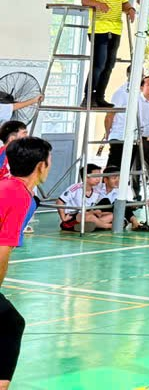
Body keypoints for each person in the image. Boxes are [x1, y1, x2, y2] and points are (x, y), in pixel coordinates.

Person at [0, 136, 52, 390]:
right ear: (41, 166)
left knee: (10, 322)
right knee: (11, 323)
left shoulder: (5, 186)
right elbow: (2, 250)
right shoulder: (20, 196)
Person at [80, 0, 137, 107]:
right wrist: (98, 4)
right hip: (100, 29)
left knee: (109, 65)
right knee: (99, 64)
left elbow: (124, 3)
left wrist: (130, 9)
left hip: (116, 29)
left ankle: (100, 97)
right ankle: (88, 97)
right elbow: (85, 0)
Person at [104, 74, 149, 194]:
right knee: (114, 169)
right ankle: (106, 196)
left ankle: (119, 196)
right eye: (147, 84)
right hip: (119, 137)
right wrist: (107, 133)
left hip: (133, 138)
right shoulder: (121, 93)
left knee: (126, 170)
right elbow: (110, 114)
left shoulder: (137, 95)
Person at [57, 164, 108, 232]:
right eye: (95, 176)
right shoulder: (75, 188)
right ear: (86, 177)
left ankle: (92, 225)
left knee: (110, 215)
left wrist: (95, 211)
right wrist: (63, 217)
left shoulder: (96, 190)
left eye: (99, 176)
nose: (98, 179)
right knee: (90, 217)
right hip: (73, 216)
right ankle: (108, 226)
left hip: (87, 214)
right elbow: (59, 201)